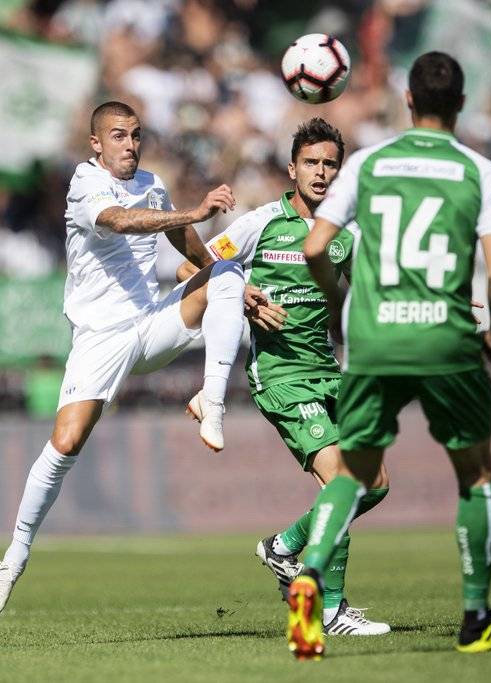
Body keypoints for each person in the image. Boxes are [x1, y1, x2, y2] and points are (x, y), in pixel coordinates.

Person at [285, 52, 491, 658]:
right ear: (463, 104)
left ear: (407, 99)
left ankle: (310, 575)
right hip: (445, 340)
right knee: (474, 473)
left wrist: (336, 298)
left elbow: (317, 244)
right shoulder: (482, 173)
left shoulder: (368, 164)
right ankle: (476, 617)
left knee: (355, 471)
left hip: (373, 338)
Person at [0, 101, 251, 616]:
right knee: (65, 442)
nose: (130, 144)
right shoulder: (84, 185)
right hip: (101, 337)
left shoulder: (150, 181)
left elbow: (182, 239)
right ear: (96, 144)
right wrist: (193, 210)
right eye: (119, 136)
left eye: (136, 135)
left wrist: (230, 281)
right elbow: (121, 222)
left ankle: (212, 400)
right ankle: (14, 556)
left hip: (150, 324)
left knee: (228, 273)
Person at [178, 118, 391, 636]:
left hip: (328, 373)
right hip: (280, 375)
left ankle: (284, 546)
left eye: (330, 164)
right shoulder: (261, 223)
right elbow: (194, 269)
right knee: (342, 479)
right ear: (292, 168)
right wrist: (244, 294)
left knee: (375, 484)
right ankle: (331, 610)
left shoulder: (347, 234)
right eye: (311, 163)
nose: (320, 173)